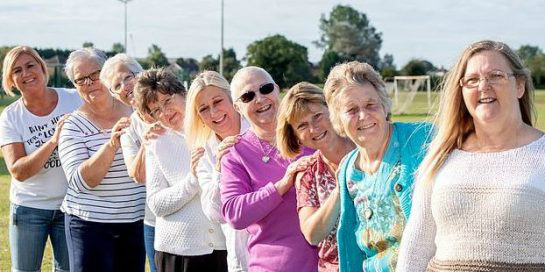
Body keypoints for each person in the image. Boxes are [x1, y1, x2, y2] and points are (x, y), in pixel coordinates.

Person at [397, 40, 545, 272]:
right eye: (472, 80)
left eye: (495, 76)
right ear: (462, 91)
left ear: (519, 86)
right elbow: (416, 245)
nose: (483, 86)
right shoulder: (441, 155)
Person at [323, 61, 433, 271]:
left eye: (370, 105)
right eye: (352, 110)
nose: (363, 115)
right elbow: (353, 249)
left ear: (384, 106)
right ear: (338, 119)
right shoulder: (347, 169)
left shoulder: (423, 139)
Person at [220, 66, 318, 271]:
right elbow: (234, 214)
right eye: (247, 96)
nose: (259, 99)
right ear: (237, 108)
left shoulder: (312, 132)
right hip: (273, 266)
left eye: (265, 89)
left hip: (330, 263)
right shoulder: (236, 153)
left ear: (277, 89)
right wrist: (281, 186)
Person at [58, 48, 146, 272]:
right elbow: (80, 181)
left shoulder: (137, 112)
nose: (89, 83)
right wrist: (112, 144)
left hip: (135, 223)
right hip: (90, 226)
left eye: (95, 74)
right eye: (80, 79)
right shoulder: (73, 126)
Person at [134, 68, 227, 272]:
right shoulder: (156, 142)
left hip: (222, 248)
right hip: (176, 254)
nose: (165, 112)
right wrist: (192, 181)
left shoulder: (215, 127)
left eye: (167, 101)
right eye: (156, 110)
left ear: (184, 93)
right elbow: (156, 204)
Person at [0, 45, 81, 272]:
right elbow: (18, 171)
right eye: (17, 70)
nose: (26, 73)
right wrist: (54, 140)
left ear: (42, 67)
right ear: (11, 80)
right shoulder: (11, 117)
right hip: (29, 209)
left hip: (70, 207)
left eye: (30, 65)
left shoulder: (74, 100)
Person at [276, 82, 355, 271]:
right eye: (302, 125)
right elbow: (312, 234)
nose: (313, 129)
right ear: (295, 136)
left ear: (332, 110)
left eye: (318, 116)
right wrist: (340, 186)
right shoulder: (307, 173)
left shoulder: (366, 148)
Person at [100, 53, 161, 272]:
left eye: (128, 77)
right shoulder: (129, 127)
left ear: (141, 74)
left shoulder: (176, 106)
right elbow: (137, 175)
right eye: (117, 85)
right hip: (157, 220)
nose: (125, 86)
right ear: (114, 95)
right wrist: (147, 140)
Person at [184, 70, 250, 272]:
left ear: (232, 99)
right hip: (242, 258)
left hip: (282, 250)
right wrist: (220, 168)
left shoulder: (260, 130)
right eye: (203, 109)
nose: (213, 113)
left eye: (218, 101)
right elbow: (214, 213)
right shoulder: (204, 152)